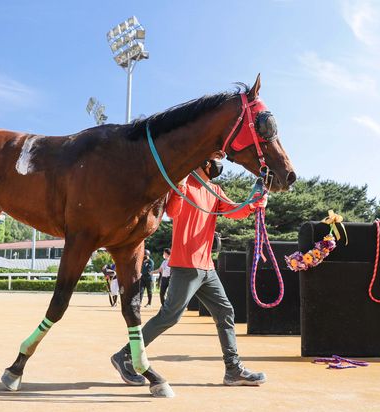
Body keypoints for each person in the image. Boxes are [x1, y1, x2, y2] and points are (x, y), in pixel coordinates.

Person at [111, 151, 268, 386]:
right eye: (215, 160)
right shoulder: (184, 184)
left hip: (207, 268)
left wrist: (255, 201)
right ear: (203, 162)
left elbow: (234, 211)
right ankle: (125, 356)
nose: (218, 165)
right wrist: (181, 182)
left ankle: (233, 369)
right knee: (169, 317)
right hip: (185, 266)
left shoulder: (214, 190)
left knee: (225, 312)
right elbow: (172, 212)